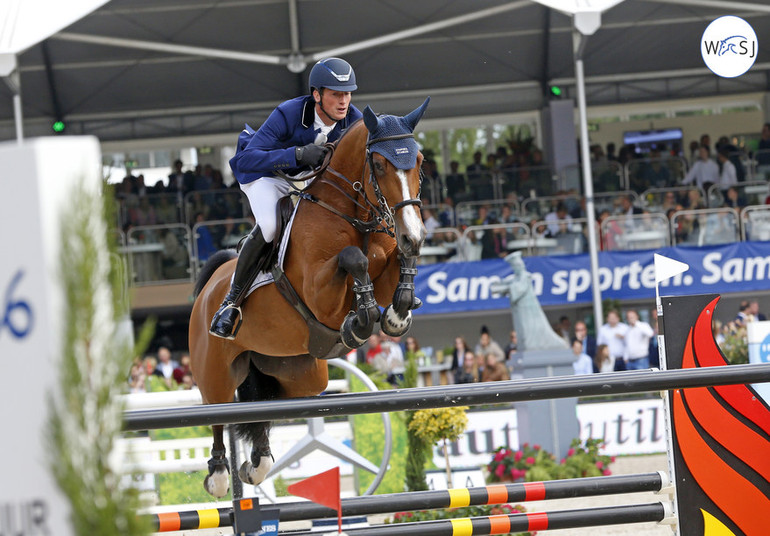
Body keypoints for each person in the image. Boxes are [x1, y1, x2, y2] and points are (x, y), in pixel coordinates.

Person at [210, 58, 362, 338]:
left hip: (307, 179)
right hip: (268, 176)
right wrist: (297, 155)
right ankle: (230, 302)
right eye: (336, 94)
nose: (344, 102)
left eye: (348, 94)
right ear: (317, 95)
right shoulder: (289, 113)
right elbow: (245, 160)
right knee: (270, 226)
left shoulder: (354, 119)